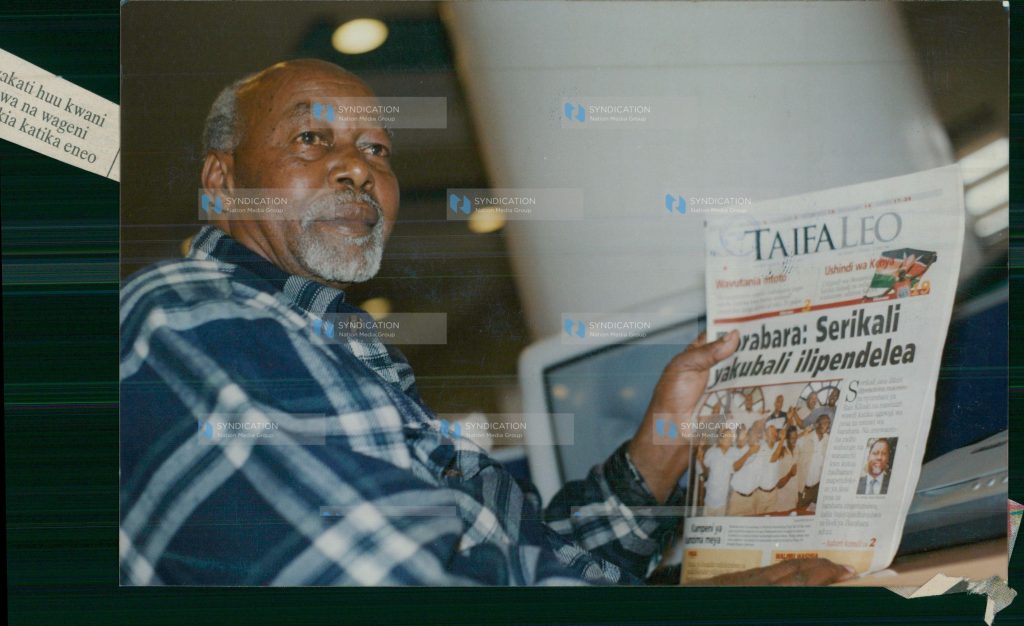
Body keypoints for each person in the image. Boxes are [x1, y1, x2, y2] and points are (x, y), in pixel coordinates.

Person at [118, 59, 853, 586]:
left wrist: (663, 440)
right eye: (312, 140)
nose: (357, 169)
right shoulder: (189, 312)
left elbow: (540, 564)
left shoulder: (343, 356)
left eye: (377, 150)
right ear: (221, 182)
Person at [698, 428, 742, 517]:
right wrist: (701, 459)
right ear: (720, 439)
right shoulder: (712, 452)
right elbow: (705, 472)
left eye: (731, 437)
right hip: (709, 498)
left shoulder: (735, 452)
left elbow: (739, 465)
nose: (730, 438)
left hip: (723, 500)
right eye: (727, 436)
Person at [728, 421, 768, 516]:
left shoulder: (758, 447)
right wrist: (749, 453)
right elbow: (734, 467)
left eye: (759, 432)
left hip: (753, 499)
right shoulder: (737, 450)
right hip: (737, 498)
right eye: (754, 432)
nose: (757, 434)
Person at [797, 414, 832, 511]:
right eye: (825, 423)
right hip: (803, 488)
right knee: (799, 512)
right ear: (817, 424)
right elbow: (793, 442)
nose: (827, 425)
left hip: (817, 489)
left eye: (829, 423)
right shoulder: (806, 438)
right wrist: (803, 433)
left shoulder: (828, 440)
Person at [771, 426, 800, 512]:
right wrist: (790, 474)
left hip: (793, 495)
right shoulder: (781, 451)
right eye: (792, 438)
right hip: (781, 498)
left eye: (796, 437)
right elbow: (778, 484)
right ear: (786, 438)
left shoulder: (797, 449)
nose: (794, 440)